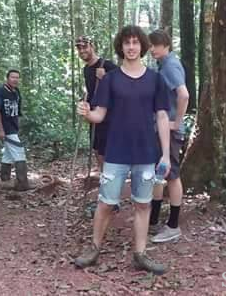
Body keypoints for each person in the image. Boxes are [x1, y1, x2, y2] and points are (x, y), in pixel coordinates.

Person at [74, 25, 171, 275]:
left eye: (135, 42)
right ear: (121, 47)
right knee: (106, 203)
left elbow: (162, 117)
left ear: (142, 46)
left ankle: (140, 254)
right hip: (116, 151)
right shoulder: (111, 79)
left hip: (146, 152)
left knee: (143, 204)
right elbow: (99, 114)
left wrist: (165, 154)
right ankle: (94, 249)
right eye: (127, 43)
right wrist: (86, 113)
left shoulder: (155, 79)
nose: (131, 47)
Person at [148, 29, 190, 243]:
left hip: (170, 131)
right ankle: (153, 219)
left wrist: (177, 122)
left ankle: (173, 225)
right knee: (159, 172)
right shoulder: (163, 65)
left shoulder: (171, 65)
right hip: (161, 129)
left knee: (171, 175)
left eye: (155, 45)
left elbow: (184, 95)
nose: (152, 49)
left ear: (166, 45)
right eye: (150, 45)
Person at [75, 35, 117, 171]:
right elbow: (91, 91)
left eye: (85, 46)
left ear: (92, 46)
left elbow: (122, 88)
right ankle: (103, 176)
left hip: (109, 117)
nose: (82, 50)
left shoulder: (108, 65)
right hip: (93, 115)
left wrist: (105, 78)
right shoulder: (86, 69)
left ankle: (112, 178)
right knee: (96, 149)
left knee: (107, 151)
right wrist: (85, 103)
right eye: (79, 48)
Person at [0, 69, 30, 191]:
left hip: (13, 127)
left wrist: (18, 127)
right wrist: (0, 129)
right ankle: (22, 183)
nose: (15, 80)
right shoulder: (0, 91)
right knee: (19, 152)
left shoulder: (16, 92)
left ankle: (5, 180)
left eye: (17, 77)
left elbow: (17, 112)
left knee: (8, 155)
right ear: (7, 78)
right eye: (13, 77)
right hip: (5, 127)